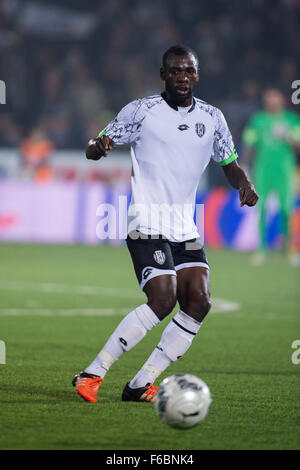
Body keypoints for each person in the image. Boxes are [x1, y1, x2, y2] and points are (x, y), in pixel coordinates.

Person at [72, 45, 258, 403]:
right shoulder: (142, 111)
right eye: (175, 71)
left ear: (197, 75)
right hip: (146, 220)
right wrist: (99, 146)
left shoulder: (213, 118)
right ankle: (92, 374)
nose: (182, 78)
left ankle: (142, 382)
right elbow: (95, 146)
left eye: (188, 71)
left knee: (199, 301)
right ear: (163, 75)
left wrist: (244, 184)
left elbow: (229, 163)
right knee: (162, 298)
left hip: (183, 226)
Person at [242, 88, 300, 265]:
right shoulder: (258, 120)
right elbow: (249, 143)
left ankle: (289, 249)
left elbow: (298, 145)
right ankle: (261, 249)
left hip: (284, 171)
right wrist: (244, 167)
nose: (271, 101)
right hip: (263, 170)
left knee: (285, 209)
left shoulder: (291, 120)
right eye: (268, 98)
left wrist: (288, 136)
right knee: (262, 209)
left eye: (274, 98)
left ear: (281, 99)